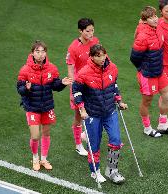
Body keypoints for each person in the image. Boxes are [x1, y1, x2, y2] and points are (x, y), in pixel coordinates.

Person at [72, 44, 128, 184]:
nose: (102, 58)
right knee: (94, 145)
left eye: (103, 55)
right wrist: (82, 109)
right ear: (91, 57)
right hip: (92, 114)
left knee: (115, 141)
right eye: (98, 56)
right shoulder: (84, 73)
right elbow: (76, 92)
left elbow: (114, 86)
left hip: (110, 111)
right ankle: (95, 171)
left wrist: (119, 101)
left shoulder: (113, 68)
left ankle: (111, 170)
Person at [17, 40, 72, 171]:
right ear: (32, 53)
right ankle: (35, 158)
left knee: (46, 133)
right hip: (32, 107)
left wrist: (62, 83)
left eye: (43, 51)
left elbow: (55, 86)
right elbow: (19, 89)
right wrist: (27, 88)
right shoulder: (25, 70)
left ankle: (44, 159)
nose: (41, 54)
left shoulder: (52, 68)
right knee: (35, 135)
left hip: (47, 106)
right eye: (37, 51)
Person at [130, 6, 168, 137]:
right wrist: (142, 69)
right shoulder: (143, 36)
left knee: (167, 96)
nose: (155, 19)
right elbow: (134, 58)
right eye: (151, 17)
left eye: (155, 16)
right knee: (147, 101)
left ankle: (162, 123)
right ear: (145, 20)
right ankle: (147, 128)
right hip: (148, 74)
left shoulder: (158, 26)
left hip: (159, 71)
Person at [66, 18, 99, 156]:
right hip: (80, 86)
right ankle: (78, 144)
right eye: (87, 31)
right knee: (79, 115)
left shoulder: (95, 42)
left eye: (92, 30)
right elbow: (70, 70)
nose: (91, 33)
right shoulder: (73, 47)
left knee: (95, 111)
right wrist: (74, 90)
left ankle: (85, 135)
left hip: (92, 84)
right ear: (80, 31)